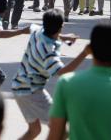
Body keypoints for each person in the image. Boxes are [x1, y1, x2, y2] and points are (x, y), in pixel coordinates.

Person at [11, 9, 87, 140]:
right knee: (62, 129)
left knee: (34, 130)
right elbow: (62, 72)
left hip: (18, 86)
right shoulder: (48, 51)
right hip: (31, 91)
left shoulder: (38, 31)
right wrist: (84, 53)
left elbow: (31, 27)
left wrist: (64, 37)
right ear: (61, 27)